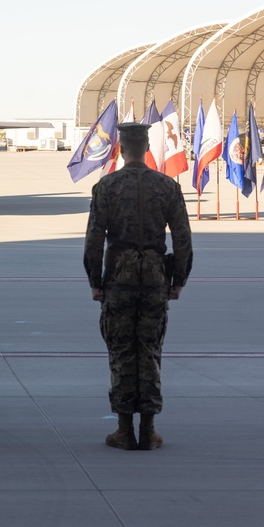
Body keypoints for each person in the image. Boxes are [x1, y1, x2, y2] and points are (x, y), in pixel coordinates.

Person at [84, 122, 193, 451]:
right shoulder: (167, 186)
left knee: (121, 351)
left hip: (119, 278)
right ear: (146, 149)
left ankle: (123, 429)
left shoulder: (106, 186)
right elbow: (183, 239)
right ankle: (147, 429)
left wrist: (95, 282)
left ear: (120, 149)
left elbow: (94, 240)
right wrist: (178, 280)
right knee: (149, 350)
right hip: (154, 279)